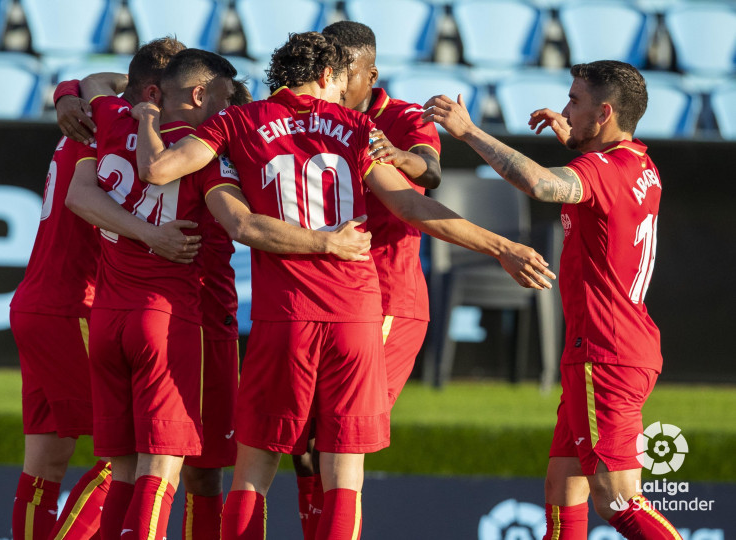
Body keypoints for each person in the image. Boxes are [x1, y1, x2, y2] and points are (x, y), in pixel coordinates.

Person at [130, 31, 554, 539]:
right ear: (328, 77)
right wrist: (501, 247)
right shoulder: (356, 127)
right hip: (356, 313)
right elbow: (414, 206)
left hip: (285, 314)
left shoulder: (237, 121)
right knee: (344, 475)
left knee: (254, 470)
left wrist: (147, 116)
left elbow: (161, 171)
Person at [77, 44, 371, 540]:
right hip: (175, 318)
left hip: (107, 316)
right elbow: (237, 220)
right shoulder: (208, 149)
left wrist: (122, 104)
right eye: (223, 95)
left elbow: (91, 88)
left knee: (122, 469)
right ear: (198, 94)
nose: (230, 104)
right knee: (169, 466)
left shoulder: (110, 118)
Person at [424, 60, 681, 539]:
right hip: (619, 345)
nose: (565, 108)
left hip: (605, 354)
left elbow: (543, 185)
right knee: (563, 487)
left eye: (574, 101)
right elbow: (597, 183)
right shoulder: (639, 162)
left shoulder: (601, 170)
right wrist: (574, 140)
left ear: (603, 113)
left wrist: (470, 133)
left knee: (617, 497)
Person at [8, 71, 196, 540]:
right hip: (78, 304)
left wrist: (67, 92)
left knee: (45, 463)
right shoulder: (117, 136)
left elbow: (97, 78)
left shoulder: (91, 119)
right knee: (124, 454)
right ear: (154, 93)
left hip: (38, 302)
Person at [288, 21, 444, 538]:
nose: (328, 80)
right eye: (322, 70)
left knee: (339, 442)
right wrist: (67, 88)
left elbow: (429, 170)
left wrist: (403, 159)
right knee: (303, 444)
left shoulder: (402, 117)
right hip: (324, 299)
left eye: (341, 72)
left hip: (385, 299)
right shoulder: (311, 114)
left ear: (370, 73)